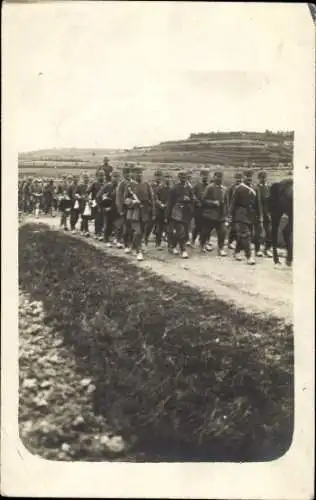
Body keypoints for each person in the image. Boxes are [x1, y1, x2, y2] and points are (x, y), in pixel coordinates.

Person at [228, 169, 262, 265]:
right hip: (240, 214)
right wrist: (229, 216)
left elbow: (258, 204)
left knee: (243, 235)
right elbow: (233, 203)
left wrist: (260, 216)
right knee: (246, 235)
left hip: (251, 215)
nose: (249, 178)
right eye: (247, 176)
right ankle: (249, 256)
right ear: (243, 177)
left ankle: (237, 252)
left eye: (250, 176)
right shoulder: (239, 188)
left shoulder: (255, 188)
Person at [123, 165, 155, 261]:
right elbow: (125, 199)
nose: (139, 174)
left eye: (140, 172)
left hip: (145, 211)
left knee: (142, 231)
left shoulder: (146, 184)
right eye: (137, 172)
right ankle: (139, 251)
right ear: (133, 174)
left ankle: (135, 245)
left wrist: (153, 211)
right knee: (137, 232)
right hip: (134, 212)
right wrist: (132, 202)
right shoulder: (129, 185)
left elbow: (152, 198)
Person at [166, 170, 194, 258]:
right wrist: (167, 216)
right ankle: (183, 250)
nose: (184, 179)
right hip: (177, 212)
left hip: (187, 212)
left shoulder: (189, 188)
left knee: (185, 232)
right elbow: (170, 203)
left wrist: (189, 199)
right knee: (180, 231)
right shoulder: (174, 188)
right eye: (182, 178)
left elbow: (193, 198)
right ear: (179, 178)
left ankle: (173, 246)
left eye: (185, 177)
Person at [200, 170, 228, 256]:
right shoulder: (210, 187)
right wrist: (213, 203)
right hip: (210, 215)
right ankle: (203, 245)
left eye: (220, 177)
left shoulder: (224, 189)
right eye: (217, 177)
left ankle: (221, 248)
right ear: (214, 177)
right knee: (206, 231)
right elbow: (203, 200)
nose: (219, 179)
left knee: (223, 232)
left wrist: (226, 215)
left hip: (221, 216)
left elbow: (226, 202)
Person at [96, 170, 120, 246]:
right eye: (114, 177)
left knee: (118, 225)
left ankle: (117, 239)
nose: (115, 178)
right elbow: (98, 195)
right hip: (108, 208)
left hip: (118, 208)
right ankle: (106, 240)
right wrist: (103, 206)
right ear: (111, 177)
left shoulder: (120, 186)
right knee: (108, 224)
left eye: (117, 177)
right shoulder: (107, 185)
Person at [254, 171, 272, 257]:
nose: (263, 179)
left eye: (265, 177)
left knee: (269, 232)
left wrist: (269, 213)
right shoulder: (256, 188)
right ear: (259, 178)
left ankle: (267, 249)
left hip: (267, 213)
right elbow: (256, 202)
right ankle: (257, 250)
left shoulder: (268, 187)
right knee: (259, 233)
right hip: (258, 214)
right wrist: (259, 215)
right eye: (262, 177)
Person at [115, 164, 132, 249]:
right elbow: (118, 197)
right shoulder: (122, 183)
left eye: (129, 173)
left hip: (130, 207)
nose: (128, 174)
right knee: (121, 224)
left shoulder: (132, 182)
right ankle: (118, 240)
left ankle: (128, 241)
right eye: (126, 173)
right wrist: (120, 209)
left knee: (129, 225)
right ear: (123, 174)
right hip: (123, 207)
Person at [152, 169, 170, 249]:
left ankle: (171, 244)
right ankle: (157, 243)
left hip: (168, 210)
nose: (168, 179)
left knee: (169, 227)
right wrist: (161, 205)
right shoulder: (159, 188)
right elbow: (155, 198)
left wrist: (168, 205)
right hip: (160, 210)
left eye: (169, 177)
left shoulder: (171, 188)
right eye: (166, 177)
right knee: (159, 227)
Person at [192, 168, 210, 248]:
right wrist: (196, 201)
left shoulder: (209, 186)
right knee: (198, 226)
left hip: (207, 210)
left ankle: (203, 242)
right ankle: (193, 239)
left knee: (206, 226)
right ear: (200, 176)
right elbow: (192, 195)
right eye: (204, 175)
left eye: (207, 175)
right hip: (198, 210)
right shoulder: (197, 186)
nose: (205, 177)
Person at [87, 169, 105, 240]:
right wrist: (89, 200)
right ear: (97, 176)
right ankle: (97, 233)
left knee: (103, 219)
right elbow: (87, 192)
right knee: (97, 219)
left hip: (104, 203)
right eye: (100, 175)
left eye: (103, 175)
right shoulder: (94, 184)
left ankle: (100, 232)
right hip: (96, 203)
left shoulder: (106, 184)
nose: (102, 177)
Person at [227, 172, 243, 249]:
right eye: (237, 178)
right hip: (234, 210)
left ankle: (238, 242)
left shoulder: (244, 188)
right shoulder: (231, 188)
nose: (238, 180)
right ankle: (230, 242)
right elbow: (229, 200)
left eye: (240, 178)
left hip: (241, 211)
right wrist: (229, 211)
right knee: (233, 227)